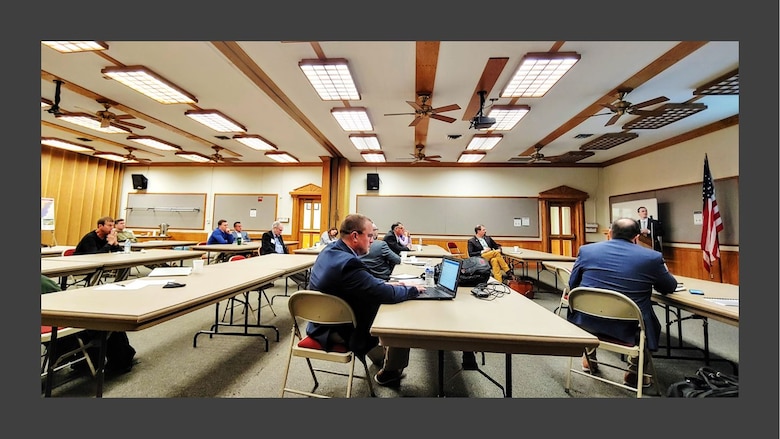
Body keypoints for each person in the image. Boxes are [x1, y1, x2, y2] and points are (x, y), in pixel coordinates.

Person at [305, 213, 423, 387]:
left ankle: (382, 359)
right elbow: (383, 293)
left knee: (384, 302)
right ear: (354, 236)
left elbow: (366, 282)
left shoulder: (330, 251)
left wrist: (394, 284)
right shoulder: (348, 264)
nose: (372, 240)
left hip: (319, 322)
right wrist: (411, 289)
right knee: (399, 316)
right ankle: (390, 371)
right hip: (341, 330)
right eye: (369, 236)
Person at [567, 217, 678, 388]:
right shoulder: (652, 257)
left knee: (591, 307)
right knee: (649, 323)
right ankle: (634, 372)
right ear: (637, 237)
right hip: (628, 325)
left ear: (609, 234)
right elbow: (669, 287)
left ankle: (589, 359)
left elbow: (573, 285)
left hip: (586, 320)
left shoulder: (587, 250)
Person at [41, 274, 137, 375]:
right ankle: (119, 360)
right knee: (103, 314)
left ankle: (89, 361)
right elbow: (63, 303)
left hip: (53, 329)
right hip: (59, 331)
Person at [261, 221, 308, 288]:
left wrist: (288, 256)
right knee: (290, 270)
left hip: (282, 257)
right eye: (280, 230)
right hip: (272, 258)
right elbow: (267, 249)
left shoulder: (279, 236)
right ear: (275, 228)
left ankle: (307, 277)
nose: (281, 232)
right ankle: (304, 282)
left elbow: (283, 247)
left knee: (297, 264)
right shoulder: (267, 235)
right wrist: (279, 256)